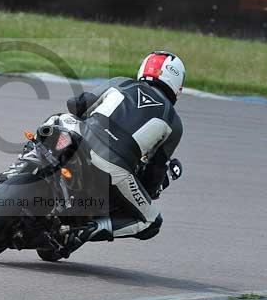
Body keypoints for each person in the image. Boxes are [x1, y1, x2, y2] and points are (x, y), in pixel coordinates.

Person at [66, 51, 184, 243]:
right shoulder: (173, 122)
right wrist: (151, 190)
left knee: (58, 120)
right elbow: (155, 171)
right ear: (177, 85)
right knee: (151, 221)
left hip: (80, 139)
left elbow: (76, 104)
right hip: (114, 167)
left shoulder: (121, 82)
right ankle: (90, 229)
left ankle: (20, 167)